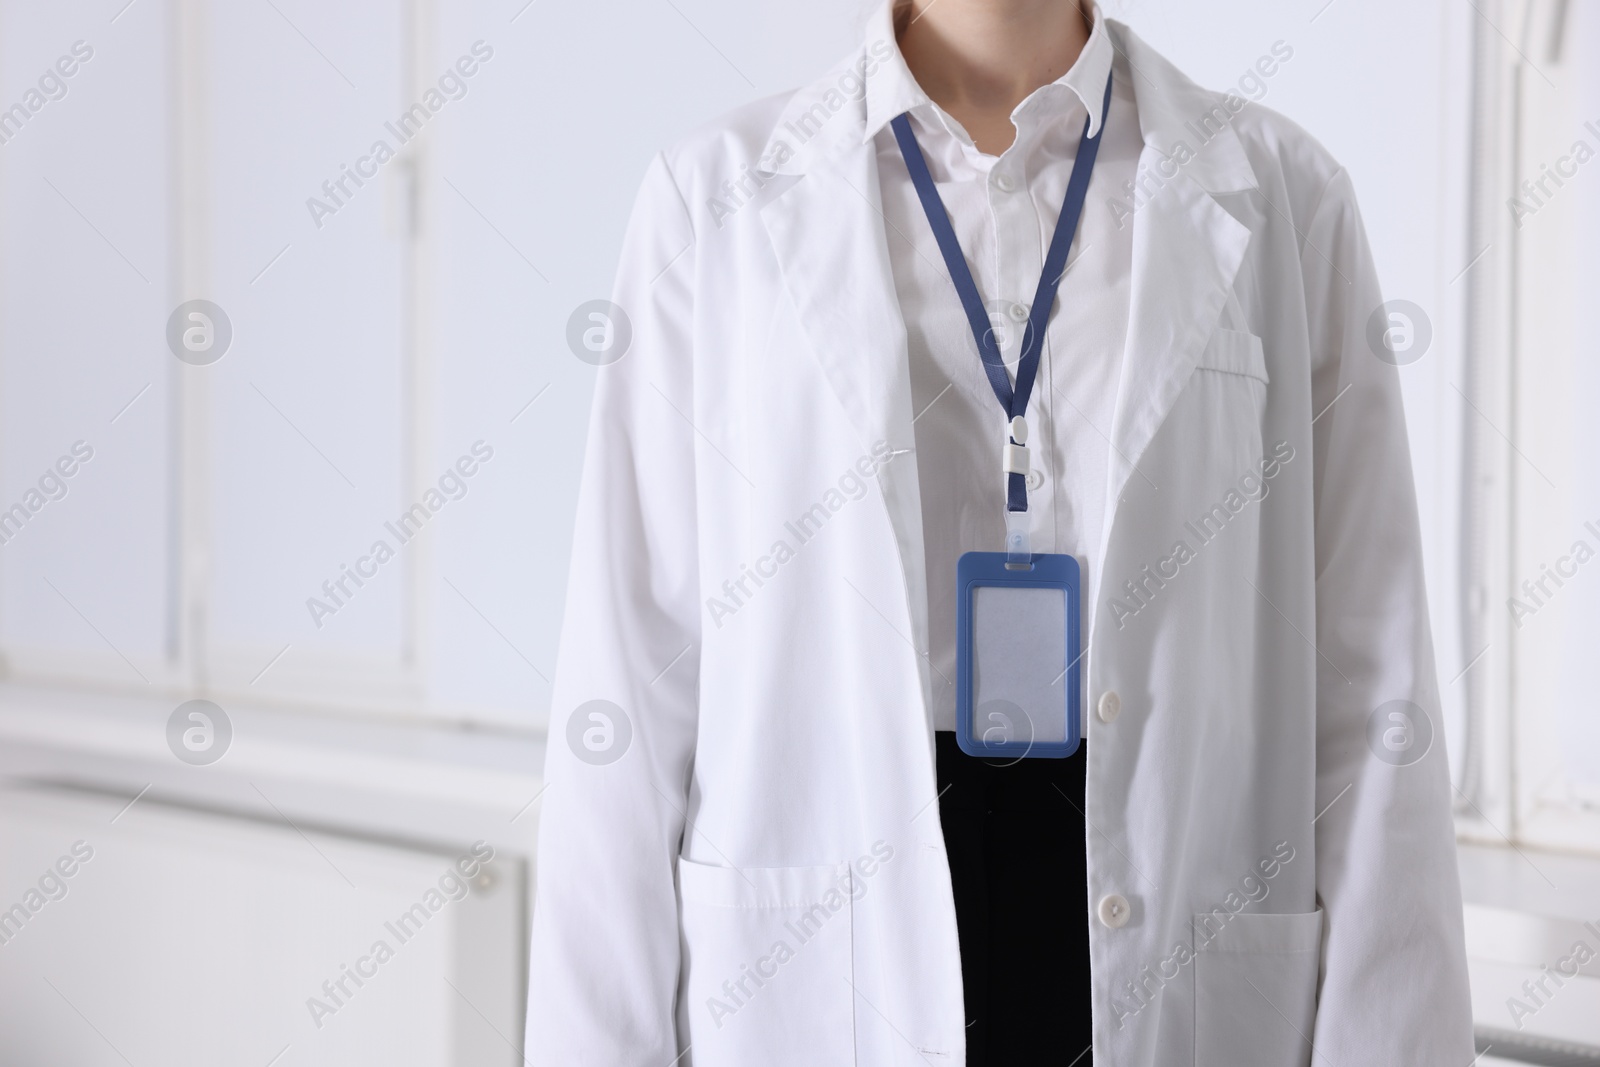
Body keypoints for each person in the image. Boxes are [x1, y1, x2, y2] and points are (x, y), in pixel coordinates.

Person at [526, 1, 1474, 1064]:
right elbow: (627, 690)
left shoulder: (1286, 194)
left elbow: (1373, 689)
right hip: (831, 938)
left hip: (1164, 933)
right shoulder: (712, 200)